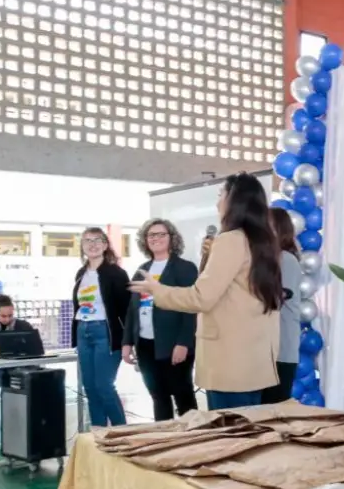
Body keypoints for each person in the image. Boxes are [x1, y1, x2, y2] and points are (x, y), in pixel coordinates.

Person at [133, 173, 283, 410]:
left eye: (220, 194)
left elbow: (201, 297)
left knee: (229, 437)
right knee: (248, 434)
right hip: (253, 361)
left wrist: (158, 290)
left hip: (229, 364)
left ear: (234, 200)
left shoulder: (231, 240)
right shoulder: (262, 242)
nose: (217, 202)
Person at [121, 219, 199, 421]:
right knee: (158, 396)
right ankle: (164, 439)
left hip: (174, 343)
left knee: (183, 395)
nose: (156, 239)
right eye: (151, 235)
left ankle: (193, 440)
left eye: (161, 234)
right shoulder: (142, 269)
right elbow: (132, 309)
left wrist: (183, 342)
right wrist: (127, 342)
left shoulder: (185, 268)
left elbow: (191, 308)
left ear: (172, 238)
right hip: (146, 344)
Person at [71, 227, 130, 427]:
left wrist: (129, 342)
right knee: (90, 387)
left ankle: (122, 435)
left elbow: (127, 310)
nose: (92, 244)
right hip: (83, 330)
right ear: (82, 246)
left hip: (105, 332)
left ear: (105, 245)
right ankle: (99, 436)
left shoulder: (116, 273)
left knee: (104, 386)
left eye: (97, 240)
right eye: (87, 240)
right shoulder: (81, 273)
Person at [261, 208, 302, 404]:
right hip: (269, 351)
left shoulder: (285, 259)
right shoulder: (273, 259)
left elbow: (275, 300)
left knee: (272, 413)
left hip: (281, 350)